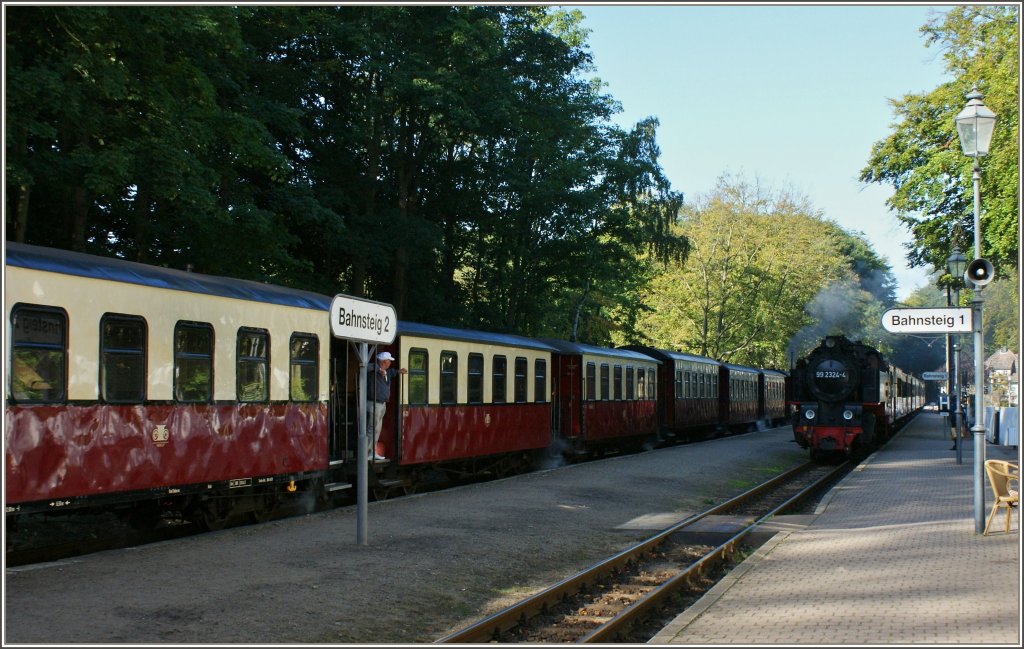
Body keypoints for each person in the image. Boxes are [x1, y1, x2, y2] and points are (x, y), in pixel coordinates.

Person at [366, 350, 406, 461]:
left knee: (377, 429)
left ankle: (372, 452)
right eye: (389, 361)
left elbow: (393, 372)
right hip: (374, 403)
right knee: (372, 428)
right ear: (383, 362)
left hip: (382, 404)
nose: (390, 363)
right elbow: (365, 366)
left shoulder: (387, 372)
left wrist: (399, 371)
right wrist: (378, 369)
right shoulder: (373, 370)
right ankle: (367, 453)